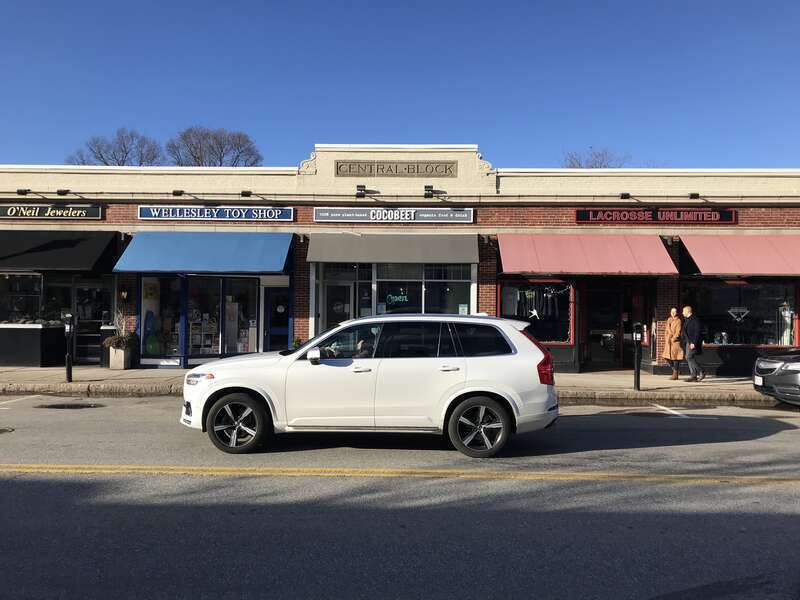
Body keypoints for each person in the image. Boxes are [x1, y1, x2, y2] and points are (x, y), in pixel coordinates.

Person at [681, 305, 705, 382]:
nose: (682, 313)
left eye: (683, 311)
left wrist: (693, 342)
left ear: (688, 311)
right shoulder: (687, 320)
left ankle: (701, 371)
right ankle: (693, 376)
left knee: (689, 357)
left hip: (692, 342)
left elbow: (697, 332)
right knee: (688, 357)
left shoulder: (695, 320)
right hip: (687, 342)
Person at [661, 307, 684, 380]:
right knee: (666, 356)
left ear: (677, 312)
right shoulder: (669, 320)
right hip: (668, 342)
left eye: (675, 312)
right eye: (672, 312)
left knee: (675, 358)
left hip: (675, 342)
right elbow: (666, 330)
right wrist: (666, 337)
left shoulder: (678, 321)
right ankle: (676, 370)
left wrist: (673, 338)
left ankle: (675, 375)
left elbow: (678, 332)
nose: (673, 313)